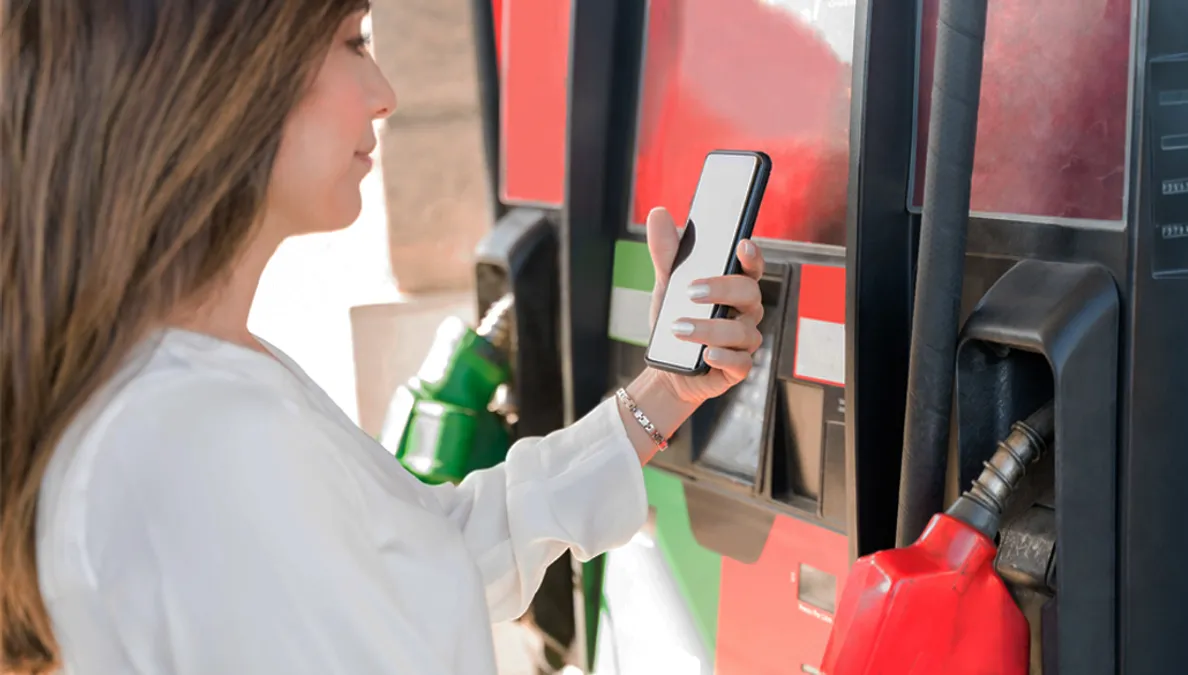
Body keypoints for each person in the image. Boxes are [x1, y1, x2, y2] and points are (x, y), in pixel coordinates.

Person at [0, 2, 766, 674]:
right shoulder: (197, 431)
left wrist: (665, 392)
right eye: (351, 42)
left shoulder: (203, 385)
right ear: (218, 76)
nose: (385, 96)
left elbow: (444, 559)